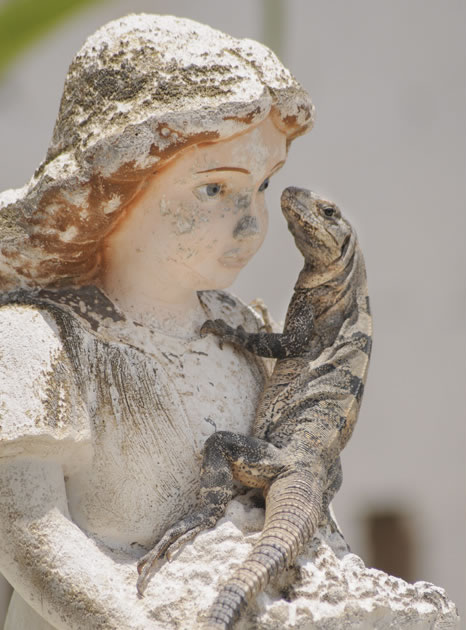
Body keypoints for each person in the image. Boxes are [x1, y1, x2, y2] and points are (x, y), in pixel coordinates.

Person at [0, 14, 313, 629]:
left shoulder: (253, 336)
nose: (251, 224)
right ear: (115, 186)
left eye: (261, 187)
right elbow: (32, 534)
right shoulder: (37, 344)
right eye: (215, 190)